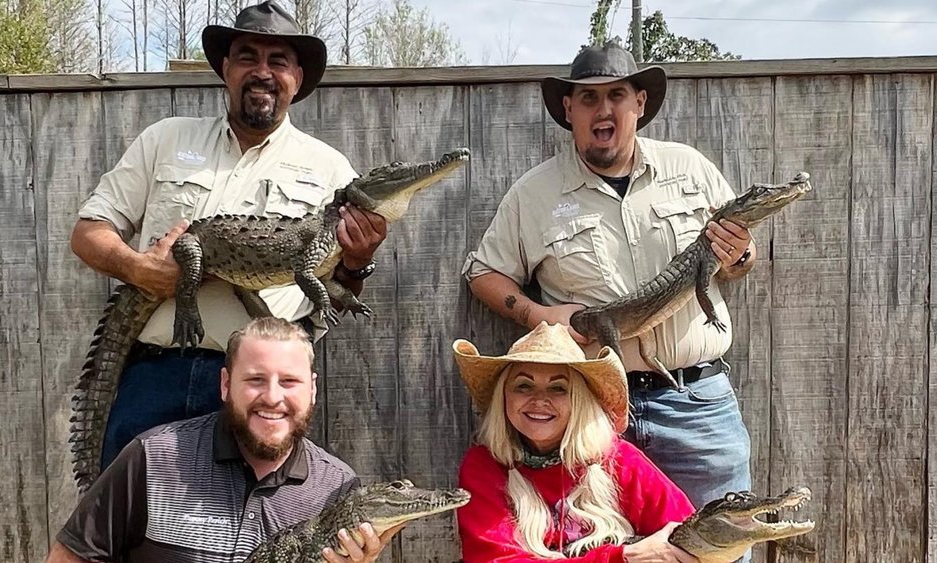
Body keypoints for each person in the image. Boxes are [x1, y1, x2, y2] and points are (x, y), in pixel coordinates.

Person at [461, 40, 755, 561]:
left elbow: (739, 260)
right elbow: (483, 273)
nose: (603, 110)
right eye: (588, 98)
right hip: (585, 412)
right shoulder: (534, 194)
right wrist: (537, 315)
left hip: (697, 404)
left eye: (616, 95)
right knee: (602, 548)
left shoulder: (690, 169)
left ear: (639, 102)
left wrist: (741, 255)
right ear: (569, 109)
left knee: (718, 550)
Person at [71, 0, 389, 470]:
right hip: (156, 370)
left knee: (247, 531)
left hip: (260, 389)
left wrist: (359, 263)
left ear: (297, 78)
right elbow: (87, 233)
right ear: (225, 68)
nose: (262, 71)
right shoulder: (166, 139)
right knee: (125, 525)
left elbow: (340, 284)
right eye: (247, 56)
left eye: (278, 60)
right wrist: (140, 268)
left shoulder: (332, 171)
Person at [46, 317, 402, 563]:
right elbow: (71, 555)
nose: (273, 398)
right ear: (225, 385)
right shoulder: (153, 456)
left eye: (289, 382)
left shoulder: (337, 488)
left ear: (312, 390)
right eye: (255, 380)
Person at [452, 322, 697, 562]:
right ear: (503, 396)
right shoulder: (484, 466)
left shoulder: (619, 459)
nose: (539, 400)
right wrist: (622, 557)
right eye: (524, 386)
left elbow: (688, 533)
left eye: (558, 388)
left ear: (579, 401)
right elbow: (494, 558)